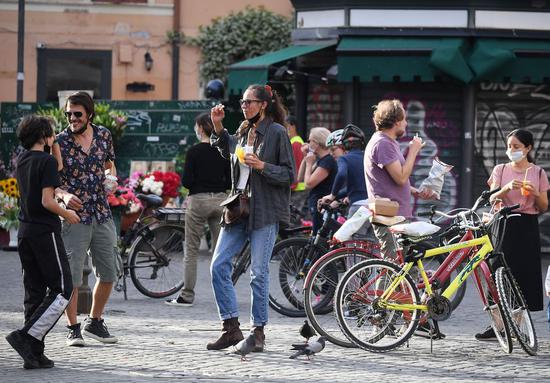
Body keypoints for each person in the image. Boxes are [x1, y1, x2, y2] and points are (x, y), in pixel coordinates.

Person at [207, 84, 294, 352]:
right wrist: (218, 127)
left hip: (265, 211)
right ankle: (231, 328)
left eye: (249, 102)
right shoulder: (244, 130)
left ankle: (258, 332)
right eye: (242, 102)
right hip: (238, 209)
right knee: (218, 266)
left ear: (264, 104)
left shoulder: (277, 132)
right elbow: (228, 150)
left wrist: (263, 166)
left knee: (258, 273)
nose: (244, 106)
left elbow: (290, 175)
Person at [6, 115, 80, 369]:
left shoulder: (23, 160)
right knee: (63, 289)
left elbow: (55, 167)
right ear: (44, 136)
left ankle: (33, 353)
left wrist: (53, 143)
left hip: (25, 232)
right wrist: (68, 214)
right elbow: (48, 201)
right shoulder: (45, 161)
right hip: (45, 232)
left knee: (34, 292)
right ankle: (26, 337)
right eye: (52, 134)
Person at [54, 91, 120, 346]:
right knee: (71, 277)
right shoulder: (59, 141)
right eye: (69, 114)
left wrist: (112, 180)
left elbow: (109, 165)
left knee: (109, 272)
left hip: (102, 213)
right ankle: (73, 327)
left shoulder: (103, 135)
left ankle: (95, 320)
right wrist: (64, 197)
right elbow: (53, 184)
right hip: (74, 217)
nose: (72, 118)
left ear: (89, 114)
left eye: (77, 114)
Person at [476, 129, 549, 340]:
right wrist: (506, 188)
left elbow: (544, 206)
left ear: (528, 148)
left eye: (517, 146)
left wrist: (534, 192)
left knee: (523, 275)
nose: (512, 150)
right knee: (496, 272)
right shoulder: (500, 169)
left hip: (526, 225)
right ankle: (497, 326)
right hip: (503, 222)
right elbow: (492, 199)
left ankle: (518, 326)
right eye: (509, 146)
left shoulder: (538, 172)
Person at [165, 112, 231, 307]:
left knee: (191, 250)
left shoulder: (193, 152)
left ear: (200, 128)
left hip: (198, 201)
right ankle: (225, 294)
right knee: (221, 251)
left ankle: (187, 295)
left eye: (196, 126)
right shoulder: (222, 151)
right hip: (221, 200)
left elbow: (186, 181)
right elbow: (229, 179)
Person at [364, 99, 436, 260]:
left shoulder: (388, 142)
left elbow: (387, 179)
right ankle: (381, 288)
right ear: (396, 122)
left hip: (395, 215)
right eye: (404, 119)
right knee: (393, 269)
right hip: (389, 217)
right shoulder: (383, 143)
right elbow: (401, 177)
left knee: (401, 269)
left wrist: (414, 191)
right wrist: (413, 150)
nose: (406, 123)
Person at [320, 124, 368, 222]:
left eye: (333, 149)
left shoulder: (344, 160)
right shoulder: (365, 157)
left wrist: (333, 196)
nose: (331, 154)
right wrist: (336, 198)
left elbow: (342, 176)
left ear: (343, 147)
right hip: (371, 206)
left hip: (358, 206)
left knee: (348, 237)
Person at [297, 127, 337, 234]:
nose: (308, 143)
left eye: (310, 140)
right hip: (317, 206)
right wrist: (306, 158)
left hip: (322, 207)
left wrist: (310, 163)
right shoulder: (321, 159)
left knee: (319, 239)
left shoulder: (327, 161)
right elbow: (300, 178)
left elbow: (308, 184)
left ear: (317, 143)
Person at [285, 115, 308, 216]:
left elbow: (296, 166)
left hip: (297, 188)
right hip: (297, 187)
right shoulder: (294, 142)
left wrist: (292, 185)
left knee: (293, 218)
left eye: (285, 126)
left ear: (292, 126)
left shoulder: (296, 144)